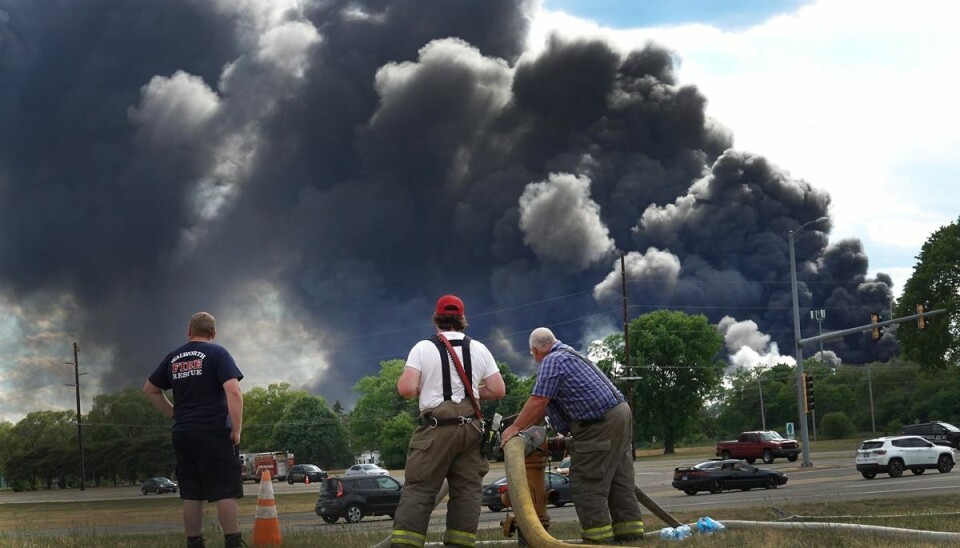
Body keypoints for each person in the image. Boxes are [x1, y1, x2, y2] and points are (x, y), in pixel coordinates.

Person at [500, 327, 644, 545]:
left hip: (597, 425)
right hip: (619, 416)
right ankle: (631, 537)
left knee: (587, 484)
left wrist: (514, 429)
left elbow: (539, 400)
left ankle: (598, 541)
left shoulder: (551, 361)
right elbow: (543, 407)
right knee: (619, 481)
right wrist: (526, 425)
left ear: (535, 350)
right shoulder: (571, 354)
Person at [391, 295, 506, 548]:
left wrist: (428, 388)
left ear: (437, 321)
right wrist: (472, 393)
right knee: (467, 493)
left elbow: (408, 388)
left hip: (436, 429)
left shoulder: (423, 348)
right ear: (462, 321)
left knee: (420, 490)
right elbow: (498, 389)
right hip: (471, 429)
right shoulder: (479, 348)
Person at [143, 312, 245, 548]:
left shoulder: (174, 357)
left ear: (189, 331)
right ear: (214, 333)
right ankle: (232, 542)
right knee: (225, 491)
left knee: (191, 493)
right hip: (213, 431)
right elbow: (233, 391)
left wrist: (175, 414)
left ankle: (194, 542)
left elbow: (150, 389)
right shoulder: (218, 353)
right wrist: (236, 429)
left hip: (183, 433)